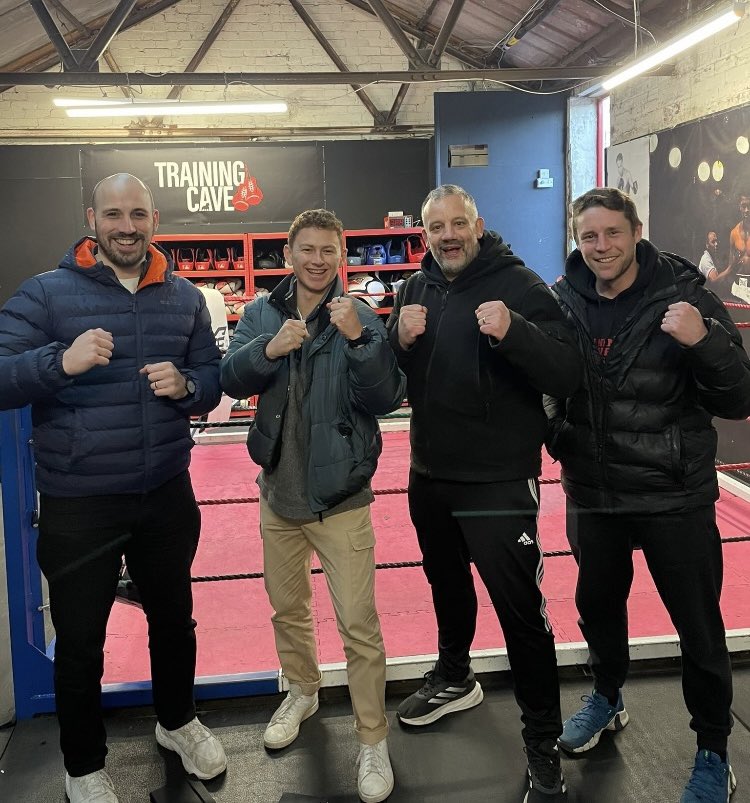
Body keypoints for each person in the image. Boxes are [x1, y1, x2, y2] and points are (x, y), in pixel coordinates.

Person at [0, 173, 227, 803]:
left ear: (154, 219)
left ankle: (178, 722)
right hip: (81, 498)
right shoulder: (47, 295)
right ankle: (83, 765)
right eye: (113, 214)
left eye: (138, 214)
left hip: (164, 491)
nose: (126, 226)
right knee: (80, 638)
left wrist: (189, 387)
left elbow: (211, 376)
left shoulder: (184, 298)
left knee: (175, 622)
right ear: (91, 219)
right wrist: (59, 363)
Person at [545, 187, 750, 802]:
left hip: (673, 495)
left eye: (612, 233)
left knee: (698, 627)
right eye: (589, 236)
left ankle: (713, 748)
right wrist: (560, 438)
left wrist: (704, 341)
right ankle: (607, 698)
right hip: (595, 492)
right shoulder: (562, 301)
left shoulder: (685, 295)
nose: (601, 246)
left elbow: (739, 399)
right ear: (576, 240)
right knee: (599, 610)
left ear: (636, 231)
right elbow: (545, 382)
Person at [385, 184, 583, 802]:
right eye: (436, 226)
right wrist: (397, 340)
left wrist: (515, 331)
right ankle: (454, 674)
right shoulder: (415, 288)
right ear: (424, 234)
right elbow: (397, 385)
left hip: (498, 478)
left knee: (521, 613)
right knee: (445, 584)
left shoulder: (520, 285)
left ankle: (542, 742)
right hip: (431, 472)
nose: (447, 235)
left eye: (458, 224)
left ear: (478, 224)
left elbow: (567, 372)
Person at [220, 208, 405, 803]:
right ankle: (302, 690)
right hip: (279, 493)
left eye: (329, 249)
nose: (318, 260)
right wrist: (268, 350)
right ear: (290, 253)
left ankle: (372, 739)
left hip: (342, 498)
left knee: (359, 625)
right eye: (308, 249)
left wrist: (357, 339)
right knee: (287, 609)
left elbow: (385, 396)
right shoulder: (261, 312)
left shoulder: (361, 316)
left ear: (341, 254)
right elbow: (229, 378)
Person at [728, 193, 750, 302]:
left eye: (749, 206)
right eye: (744, 206)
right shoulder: (734, 233)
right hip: (738, 287)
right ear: (740, 208)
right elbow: (730, 264)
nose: (747, 210)